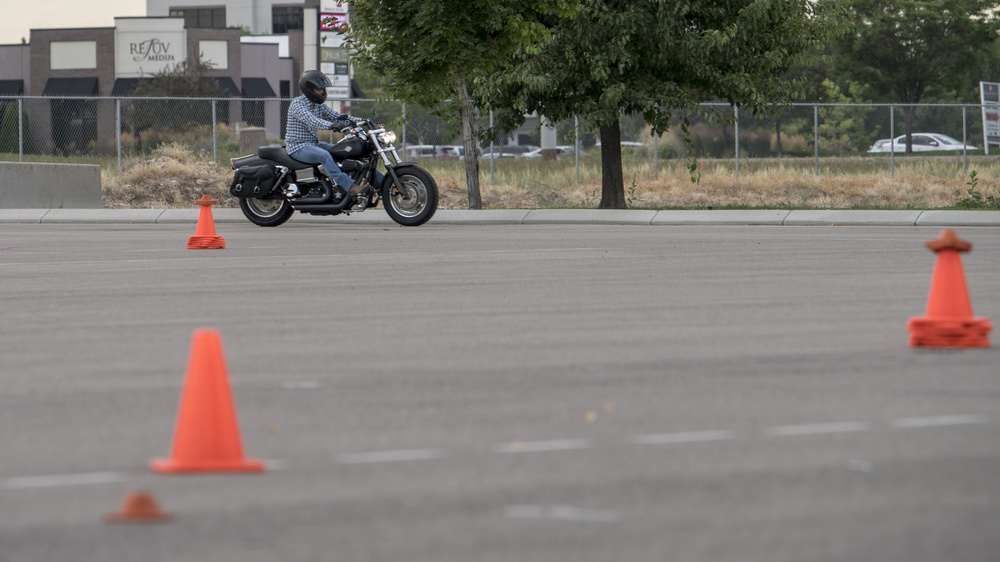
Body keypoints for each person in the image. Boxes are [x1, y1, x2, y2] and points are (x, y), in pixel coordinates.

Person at [285, 70, 380, 209]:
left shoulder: (317, 105)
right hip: (297, 146)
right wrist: (332, 125)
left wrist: (364, 121)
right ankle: (350, 187)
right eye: (319, 89)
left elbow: (337, 116)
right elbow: (312, 121)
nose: (322, 92)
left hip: (313, 144)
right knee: (325, 156)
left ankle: (382, 184)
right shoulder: (298, 104)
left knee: (343, 151)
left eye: (323, 88)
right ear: (309, 89)